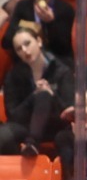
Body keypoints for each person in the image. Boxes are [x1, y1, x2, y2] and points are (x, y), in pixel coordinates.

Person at [0, 23, 71, 155]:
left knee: (44, 95)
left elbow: (69, 112)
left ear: (39, 41)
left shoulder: (62, 71)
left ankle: (32, 142)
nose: (25, 50)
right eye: (19, 49)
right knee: (3, 135)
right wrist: (33, 96)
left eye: (27, 44)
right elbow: (13, 115)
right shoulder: (13, 75)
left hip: (54, 125)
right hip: (25, 126)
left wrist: (52, 95)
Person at [6, 0, 74, 62]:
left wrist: (51, 23)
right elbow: (6, 41)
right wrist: (31, 27)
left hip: (57, 63)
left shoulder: (65, 9)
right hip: (27, 62)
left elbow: (64, 47)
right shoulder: (23, 6)